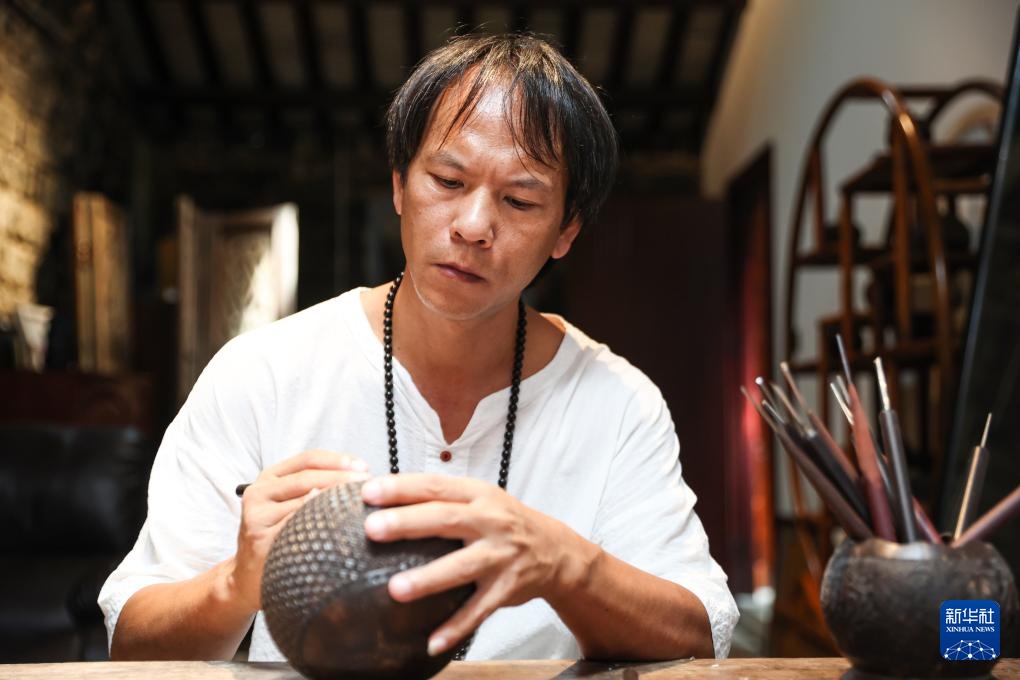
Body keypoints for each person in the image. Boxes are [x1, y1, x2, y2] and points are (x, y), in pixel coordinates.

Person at [99, 33, 738, 663]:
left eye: (519, 200)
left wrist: (565, 564)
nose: (474, 226)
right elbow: (132, 642)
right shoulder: (263, 372)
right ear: (400, 186)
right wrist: (236, 582)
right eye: (448, 180)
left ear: (566, 230)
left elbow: (699, 636)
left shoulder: (618, 403)